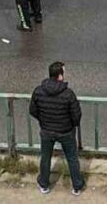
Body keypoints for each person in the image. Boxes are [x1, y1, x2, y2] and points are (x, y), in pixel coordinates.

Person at [30, 61, 85, 195]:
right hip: (66, 131)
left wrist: (43, 121)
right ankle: (76, 186)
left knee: (45, 157)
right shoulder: (68, 94)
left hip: (47, 131)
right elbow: (76, 115)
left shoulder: (38, 91)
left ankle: (44, 184)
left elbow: (33, 110)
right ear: (60, 76)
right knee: (72, 158)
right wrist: (72, 125)